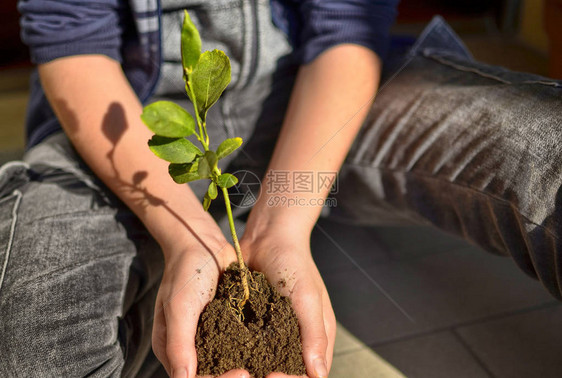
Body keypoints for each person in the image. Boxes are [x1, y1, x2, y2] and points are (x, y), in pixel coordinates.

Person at [2, 1, 561, 378]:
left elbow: (347, 30)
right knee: (33, 340)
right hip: (128, 135)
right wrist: (186, 237)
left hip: (319, 112)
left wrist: (282, 227)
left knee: (545, 147)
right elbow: (74, 44)